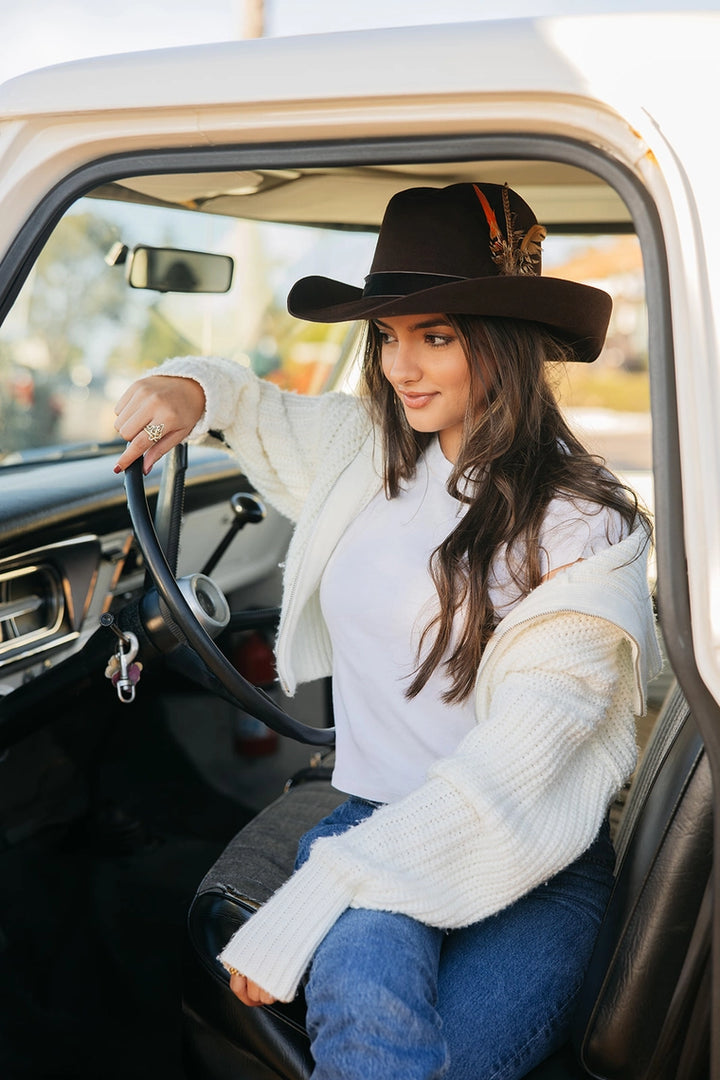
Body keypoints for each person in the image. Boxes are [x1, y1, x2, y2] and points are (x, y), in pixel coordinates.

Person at [113, 182, 661, 1080]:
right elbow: (247, 404)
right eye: (387, 336)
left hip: (535, 857)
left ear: (507, 342)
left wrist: (320, 892)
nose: (402, 367)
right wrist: (185, 387)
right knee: (370, 1020)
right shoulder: (366, 449)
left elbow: (511, 771)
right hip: (374, 816)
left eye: (436, 337)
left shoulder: (581, 526)